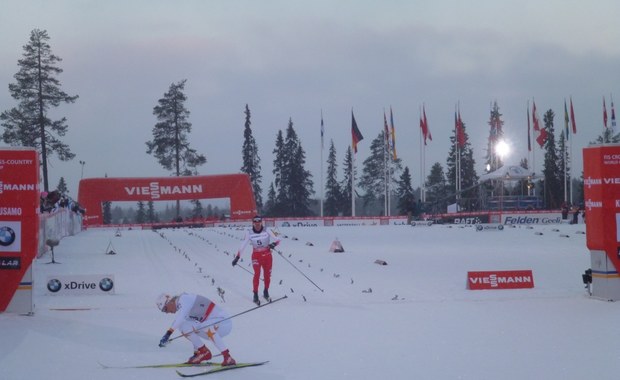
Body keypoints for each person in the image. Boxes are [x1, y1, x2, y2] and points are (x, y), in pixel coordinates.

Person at [156, 292, 236, 366]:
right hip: (211, 326)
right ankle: (203, 352)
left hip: (224, 322)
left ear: (170, 302)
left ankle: (228, 357)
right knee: (184, 327)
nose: (166, 312)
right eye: (163, 311)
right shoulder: (184, 310)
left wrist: (168, 334)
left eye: (165, 309)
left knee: (205, 325)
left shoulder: (184, 298)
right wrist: (196, 352)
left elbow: (180, 317)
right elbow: (189, 327)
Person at [232, 215, 280, 305]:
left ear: (261, 222)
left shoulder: (267, 230)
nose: (257, 224)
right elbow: (243, 245)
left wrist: (274, 244)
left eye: (259, 222)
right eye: (255, 222)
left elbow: (278, 239)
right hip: (256, 256)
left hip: (267, 256)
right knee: (257, 274)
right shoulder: (249, 233)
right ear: (253, 223)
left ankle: (266, 291)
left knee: (267, 275)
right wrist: (237, 257)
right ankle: (255, 294)